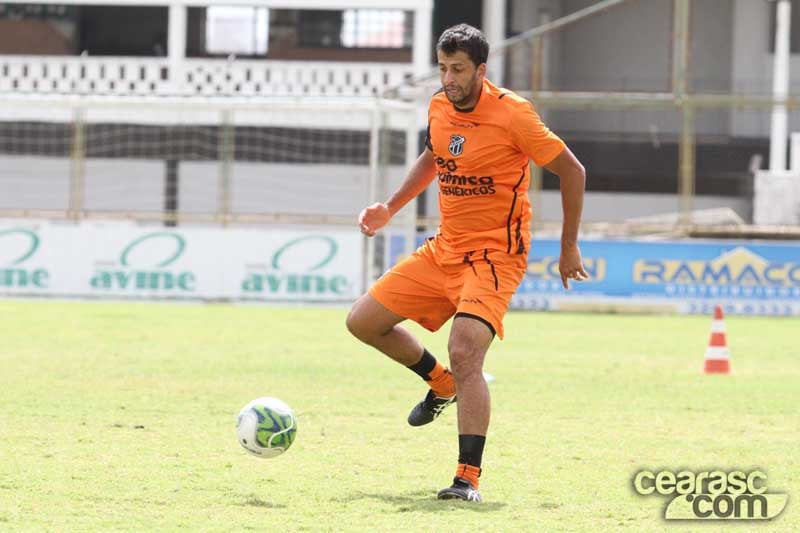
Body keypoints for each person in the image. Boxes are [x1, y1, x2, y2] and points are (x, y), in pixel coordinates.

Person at [346, 23, 588, 503]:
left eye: (458, 69)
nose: (449, 78)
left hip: (495, 256)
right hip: (445, 248)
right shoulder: (439, 105)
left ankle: (467, 478)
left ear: (481, 69)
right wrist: (390, 208)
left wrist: (568, 246)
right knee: (362, 322)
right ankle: (440, 384)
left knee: (466, 350)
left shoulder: (513, 114)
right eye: (443, 68)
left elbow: (572, 170)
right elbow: (435, 156)